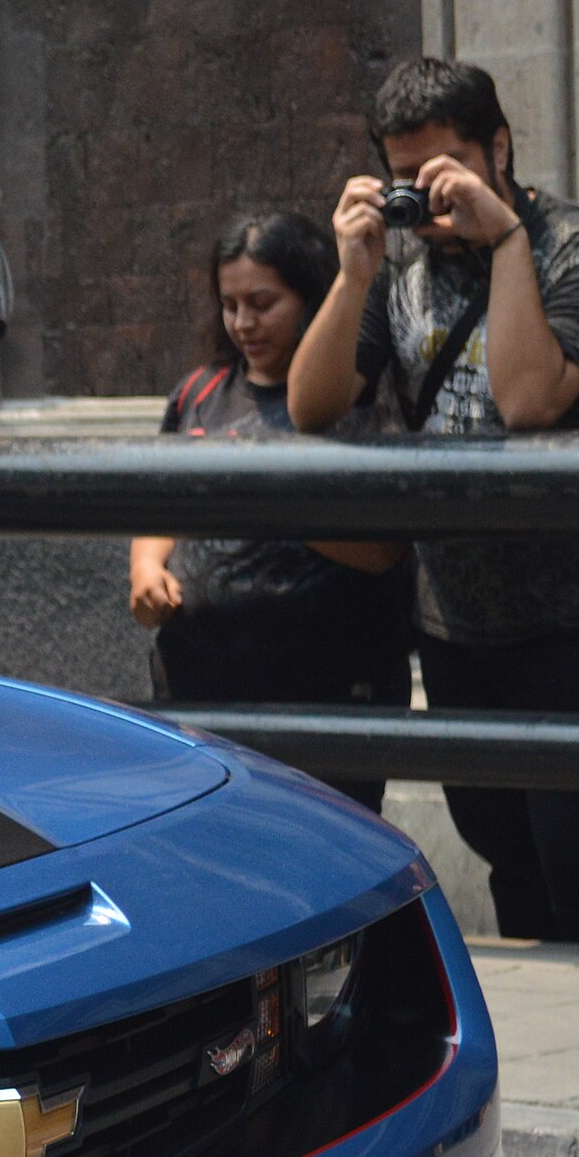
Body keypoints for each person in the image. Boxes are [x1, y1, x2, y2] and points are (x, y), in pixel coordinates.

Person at [288, 55, 579, 943]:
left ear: (500, 147)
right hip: (456, 617)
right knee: (503, 843)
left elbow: (530, 401)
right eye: (404, 175)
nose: (425, 194)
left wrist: (507, 243)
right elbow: (313, 404)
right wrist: (352, 274)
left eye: (443, 167)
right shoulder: (404, 270)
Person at [125, 212, 408, 811]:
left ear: (309, 296)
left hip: (324, 687)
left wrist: (256, 506)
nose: (243, 323)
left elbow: (383, 550)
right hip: (203, 682)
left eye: (262, 303)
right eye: (230, 305)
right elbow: (161, 501)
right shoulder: (200, 392)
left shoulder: (353, 399)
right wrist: (147, 568)